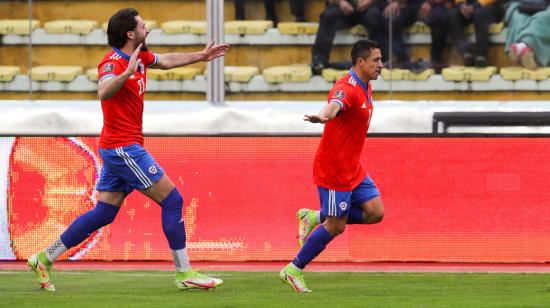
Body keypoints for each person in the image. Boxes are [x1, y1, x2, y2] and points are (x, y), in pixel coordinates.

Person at [27, 8, 230, 292]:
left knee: (104, 214)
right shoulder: (113, 62)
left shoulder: (141, 57)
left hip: (119, 147)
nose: (149, 30)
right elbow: (104, 91)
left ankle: (44, 258)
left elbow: (167, 60)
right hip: (123, 148)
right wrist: (126, 73)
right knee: (173, 200)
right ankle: (185, 272)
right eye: (144, 27)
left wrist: (201, 56)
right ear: (130, 34)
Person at [279, 39, 384, 293]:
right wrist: (324, 115)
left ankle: (313, 216)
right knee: (335, 225)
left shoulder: (365, 85)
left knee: (375, 212)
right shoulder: (346, 88)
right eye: (376, 61)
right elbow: (336, 103)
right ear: (360, 62)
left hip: (353, 168)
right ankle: (293, 269)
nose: (381, 65)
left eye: (381, 60)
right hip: (335, 170)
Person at [311, 0, 387, 74]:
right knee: (329, 15)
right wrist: (340, 2)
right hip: (345, 7)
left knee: (376, 16)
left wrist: (370, 1)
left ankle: (378, 61)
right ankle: (319, 61)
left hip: (370, 8)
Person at [448, 0, 504, 67]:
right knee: (453, 14)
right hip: (468, 7)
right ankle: (465, 53)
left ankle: (481, 56)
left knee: (479, 13)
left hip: (490, 6)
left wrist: (475, 6)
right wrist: (461, 5)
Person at [505, 3, 550, 70]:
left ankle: (521, 46)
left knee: (543, 17)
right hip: (523, 3)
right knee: (518, 17)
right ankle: (524, 47)